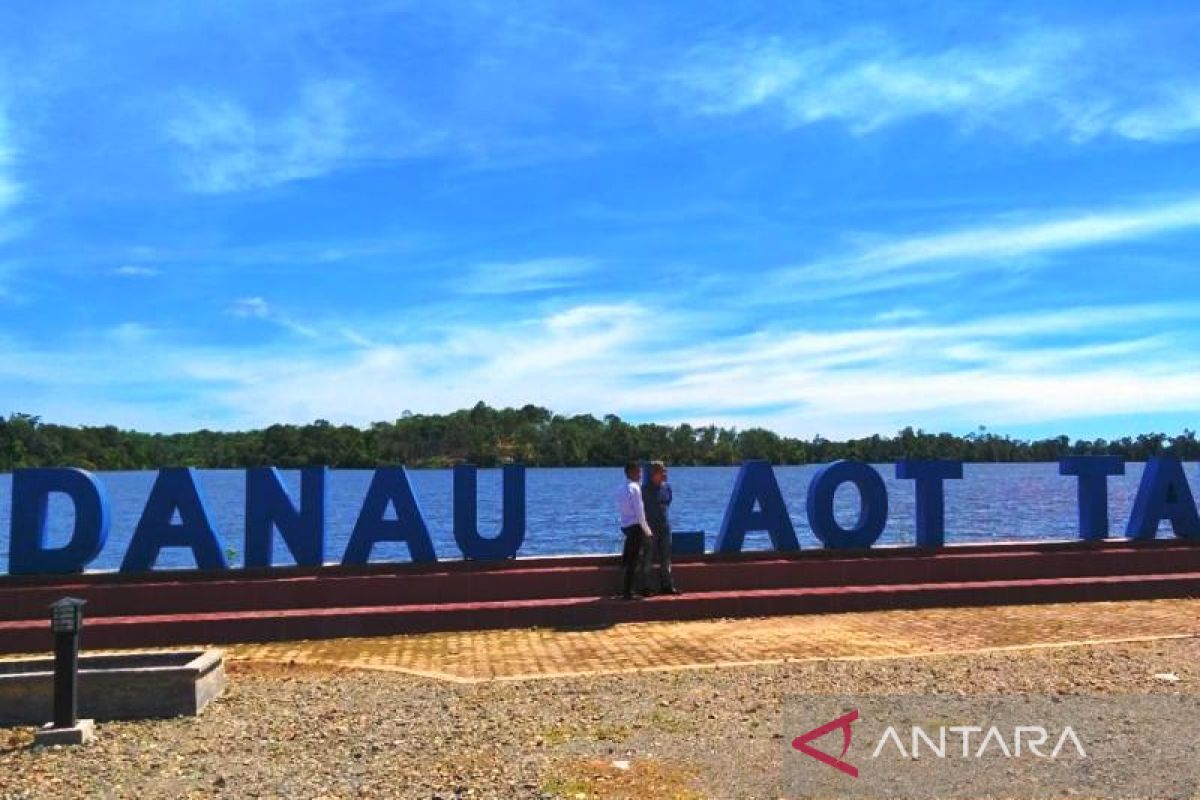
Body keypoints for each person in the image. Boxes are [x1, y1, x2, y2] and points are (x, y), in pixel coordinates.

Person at [615, 460, 653, 599]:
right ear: (630, 472)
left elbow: (623, 510)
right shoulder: (635, 488)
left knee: (628, 559)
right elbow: (639, 512)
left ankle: (626, 590)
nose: (640, 474)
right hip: (636, 527)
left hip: (626, 527)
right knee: (633, 560)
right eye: (638, 471)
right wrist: (647, 531)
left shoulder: (620, 489)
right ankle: (628, 592)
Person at [642, 461, 680, 595]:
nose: (665, 474)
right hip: (650, 528)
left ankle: (667, 585)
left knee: (666, 557)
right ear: (654, 473)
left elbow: (668, 502)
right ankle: (646, 587)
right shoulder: (644, 490)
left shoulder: (667, 488)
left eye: (665, 471)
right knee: (648, 557)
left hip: (664, 527)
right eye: (662, 471)